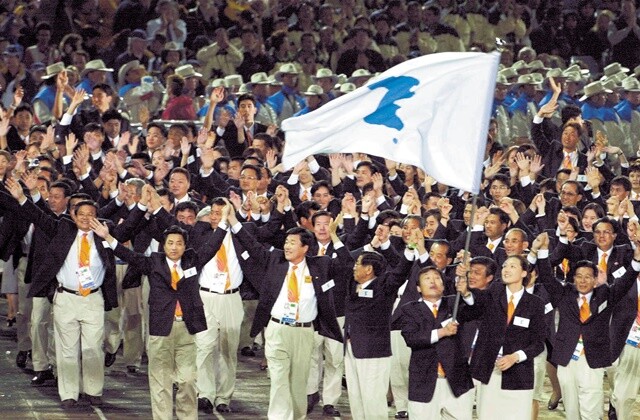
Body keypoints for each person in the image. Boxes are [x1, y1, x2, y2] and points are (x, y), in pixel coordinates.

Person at [3, 179, 142, 407]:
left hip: (93, 299)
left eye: (91, 214)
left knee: (92, 348)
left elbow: (128, 228)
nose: (87, 218)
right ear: (73, 216)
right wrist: (20, 197)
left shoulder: (102, 232)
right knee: (66, 349)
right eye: (82, 214)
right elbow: (39, 216)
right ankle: (68, 393)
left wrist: (143, 207)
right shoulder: (62, 229)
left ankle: (93, 390)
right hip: (65, 297)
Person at [92, 214, 227, 420]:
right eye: (170, 243)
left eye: (179, 243)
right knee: (161, 381)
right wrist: (108, 237)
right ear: (163, 246)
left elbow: (212, 246)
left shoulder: (193, 261)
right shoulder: (153, 263)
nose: (174, 247)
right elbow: (129, 256)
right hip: (161, 329)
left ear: (185, 246)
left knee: (188, 380)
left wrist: (226, 221)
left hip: (187, 329)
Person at [229, 211, 351, 419]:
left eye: (292, 242)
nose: (287, 246)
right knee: (278, 379)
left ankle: (297, 416)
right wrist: (232, 220)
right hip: (277, 329)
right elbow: (253, 247)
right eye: (286, 241)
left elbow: (347, 264)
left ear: (305, 247)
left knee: (298, 381)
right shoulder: (275, 259)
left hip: (304, 332)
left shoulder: (320, 265)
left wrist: (334, 236)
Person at [344, 225, 425, 420]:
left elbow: (400, 271)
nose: (354, 267)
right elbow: (344, 264)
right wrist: (374, 243)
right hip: (351, 347)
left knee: (372, 397)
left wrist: (411, 248)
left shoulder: (384, 285)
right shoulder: (352, 284)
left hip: (373, 350)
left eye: (358, 264)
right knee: (355, 396)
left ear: (369, 269)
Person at [461, 254, 547, 419]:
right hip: (490, 370)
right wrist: (466, 293)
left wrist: (516, 357)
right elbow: (476, 302)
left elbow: (538, 343)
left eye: (512, 266)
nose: (506, 269)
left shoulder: (535, 304)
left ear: (524, 273)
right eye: (505, 266)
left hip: (519, 374)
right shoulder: (493, 293)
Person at [395, 267, 475, 419]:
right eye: (427, 278)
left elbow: (475, 310)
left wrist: (466, 293)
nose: (433, 281)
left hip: (457, 382)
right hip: (424, 383)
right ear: (418, 287)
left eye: (437, 278)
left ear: (444, 285)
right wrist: (442, 332)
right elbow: (412, 338)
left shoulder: (454, 303)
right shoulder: (410, 310)